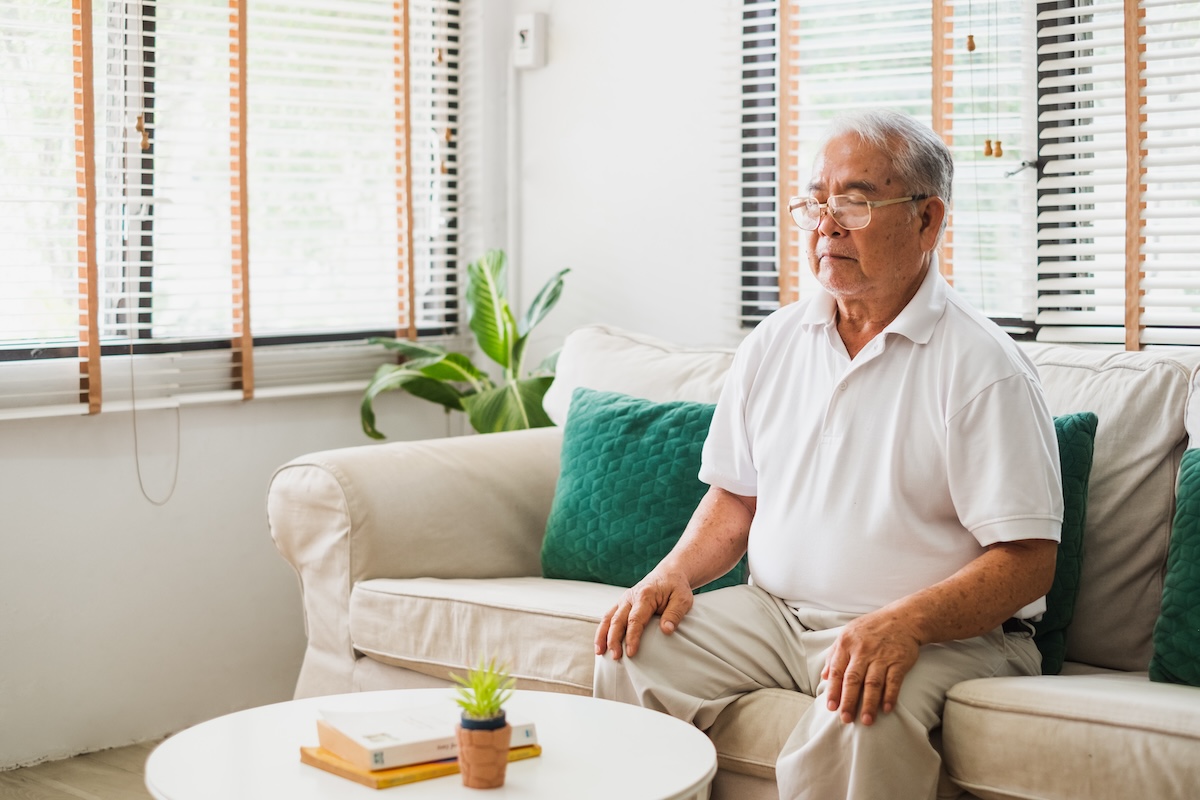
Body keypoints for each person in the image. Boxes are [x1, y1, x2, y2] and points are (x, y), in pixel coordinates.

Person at [592, 110, 1063, 800]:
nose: (826, 223)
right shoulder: (774, 342)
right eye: (816, 201)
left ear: (928, 221)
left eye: (856, 201)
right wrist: (671, 573)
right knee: (635, 648)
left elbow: (1029, 561)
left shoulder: (982, 366)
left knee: (860, 707)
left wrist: (904, 622)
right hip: (780, 615)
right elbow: (736, 497)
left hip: (947, 637)